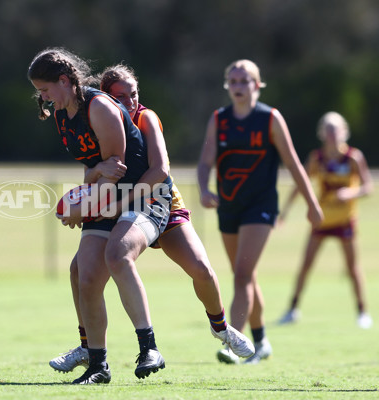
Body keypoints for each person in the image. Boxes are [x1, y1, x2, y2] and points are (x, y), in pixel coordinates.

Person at [48, 64, 254, 374]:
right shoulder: (96, 116)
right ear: (105, 96)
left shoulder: (145, 117)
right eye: (122, 96)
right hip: (118, 204)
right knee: (81, 271)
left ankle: (221, 328)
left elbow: (160, 171)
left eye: (134, 94)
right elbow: (95, 168)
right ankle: (88, 346)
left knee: (202, 270)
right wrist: (90, 194)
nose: (130, 101)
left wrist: (112, 201)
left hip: (159, 203)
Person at [28, 48, 174, 384]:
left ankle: (149, 347)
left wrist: (85, 205)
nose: (44, 97)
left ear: (65, 80)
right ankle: (98, 365)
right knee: (85, 274)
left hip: (143, 195)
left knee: (117, 254)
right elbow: (96, 167)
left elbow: (118, 171)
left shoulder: (101, 108)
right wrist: (90, 185)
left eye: (46, 89)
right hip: (108, 196)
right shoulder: (63, 113)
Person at [197, 60, 324, 365]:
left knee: (242, 275)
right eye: (233, 81)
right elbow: (205, 162)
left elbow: (293, 163)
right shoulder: (219, 119)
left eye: (245, 80)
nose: (238, 86)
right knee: (246, 276)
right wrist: (204, 189)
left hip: (261, 206)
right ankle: (262, 342)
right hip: (228, 205)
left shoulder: (270, 119)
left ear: (257, 84)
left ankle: (233, 343)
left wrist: (312, 204)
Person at [277, 111, 373, 329]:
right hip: (321, 221)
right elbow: (300, 184)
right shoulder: (317, 158)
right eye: (328, 129)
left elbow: (368, 187)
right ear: (322, 133)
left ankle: (362, 312)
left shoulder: (353, 158)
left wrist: (350, 194)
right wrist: (285, 211)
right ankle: (292, 309)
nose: (332, 134)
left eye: (335, 129)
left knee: (352, 267)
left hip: (346, 221)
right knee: (306, 265)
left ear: (344, 131)